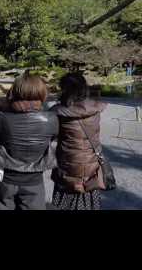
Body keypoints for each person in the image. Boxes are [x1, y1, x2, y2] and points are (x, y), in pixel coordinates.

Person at [0, 73, 59, 210]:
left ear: (15, 91)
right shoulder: (51, 119)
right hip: (34, 179)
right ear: (42, 92)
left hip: (5, 177)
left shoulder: (1, 118)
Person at [50, 73, 107, 210]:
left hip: (67, 166)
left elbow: (51, 135)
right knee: (88, 202)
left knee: (63, 203)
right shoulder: (94, 109)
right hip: (90, 166)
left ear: (65, 89)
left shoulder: (59, 111)